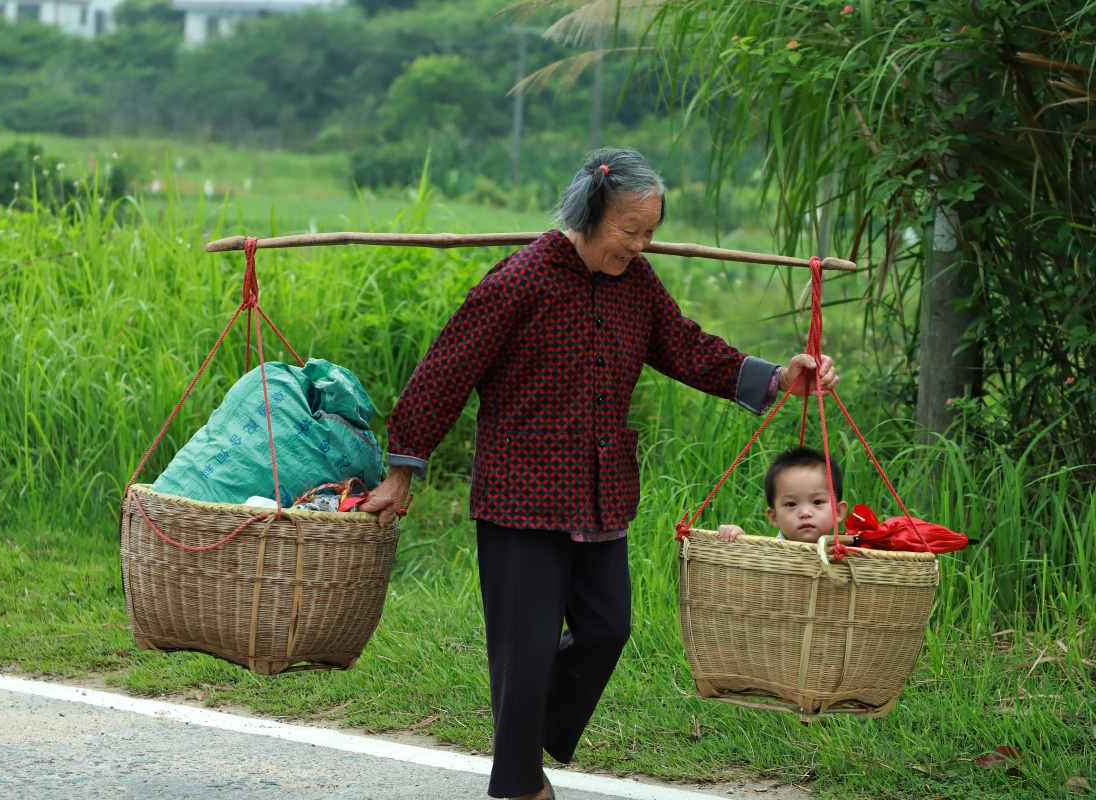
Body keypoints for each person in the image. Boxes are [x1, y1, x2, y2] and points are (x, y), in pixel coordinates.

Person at [358, 148, 840, 800]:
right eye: (629, 231)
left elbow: (689, 348)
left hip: (599, 494)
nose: (641, 246)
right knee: (524, 649)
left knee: (608, 628)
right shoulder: (518, 282)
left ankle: (523, 731)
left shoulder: (636, 286)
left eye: (650, 232)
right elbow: (446, 371)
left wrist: (780, 379)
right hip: (519, 497)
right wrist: (402, 472)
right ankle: (519, 783)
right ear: (589, 215)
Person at [717, 446, 850, 544]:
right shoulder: (769, 553)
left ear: (837, 511)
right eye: (791, 504)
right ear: (774, 517)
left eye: (817, 502)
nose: (805, 513)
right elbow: (749, 562)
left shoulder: (847, 555)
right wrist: (739, 539)